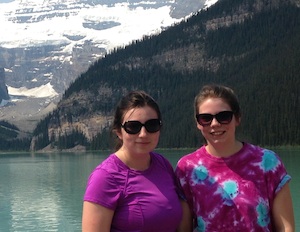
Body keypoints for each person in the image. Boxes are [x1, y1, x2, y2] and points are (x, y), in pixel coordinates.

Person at [175, 84, 295, 231]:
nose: (215, 124)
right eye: (205, 118)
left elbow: (286, 227)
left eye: (224, 116)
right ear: (198, 124)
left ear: (237, 118)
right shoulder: (187, 167)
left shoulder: (267, 162)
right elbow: (183, 229)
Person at [82, 90, 191, 232]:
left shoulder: (163, 165)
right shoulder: (104, 177)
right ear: (119, 132)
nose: (143, 134)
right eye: (133, 127)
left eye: (152, 125)